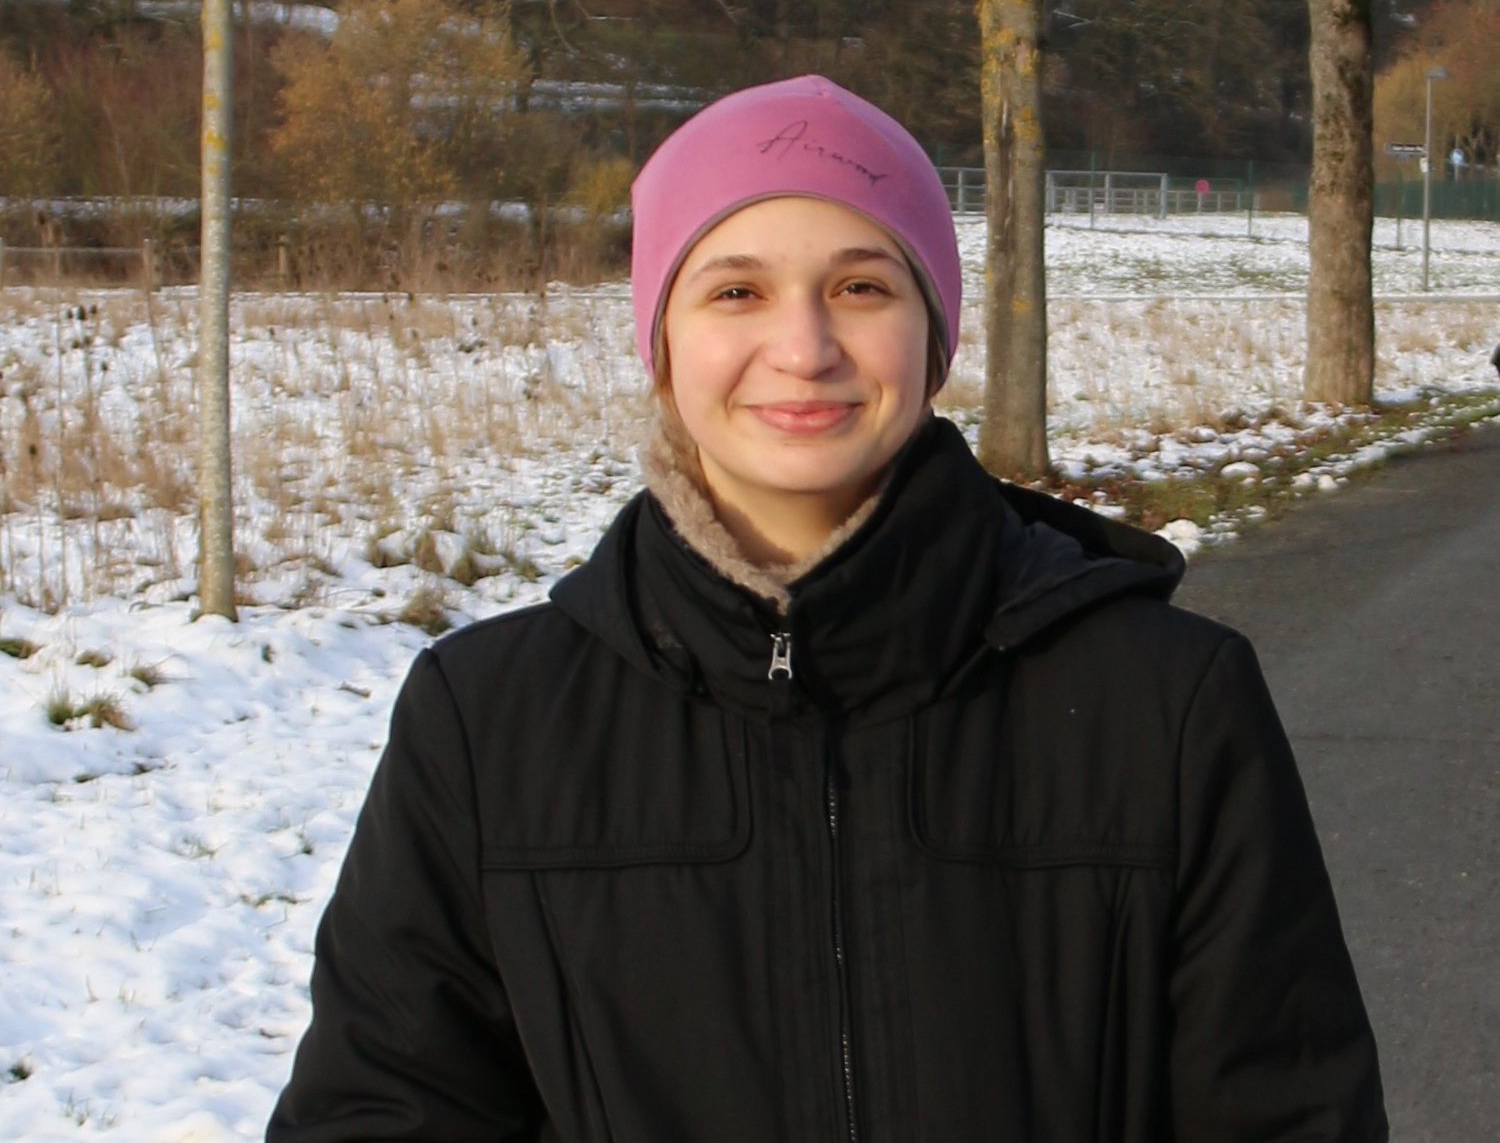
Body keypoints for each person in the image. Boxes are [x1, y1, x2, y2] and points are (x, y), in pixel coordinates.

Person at [268, 75, 1386, 1141]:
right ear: (661, 343)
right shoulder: (487, 725)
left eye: (861, 286)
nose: (802, 350)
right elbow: (383, 1112)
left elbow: (1289, 1114)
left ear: (934, 334)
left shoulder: (1169, 702)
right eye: (736, 291)